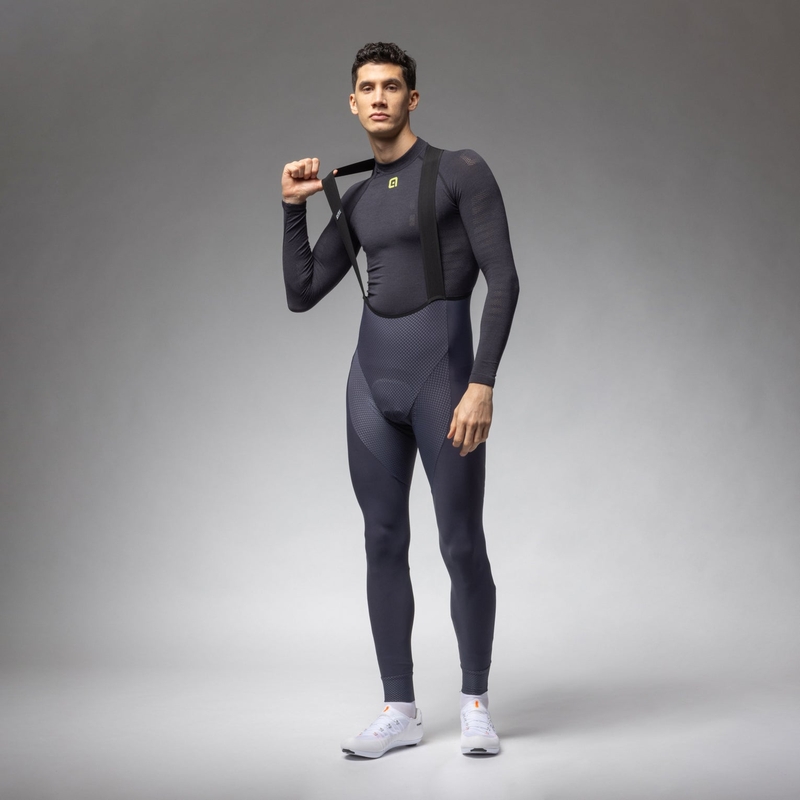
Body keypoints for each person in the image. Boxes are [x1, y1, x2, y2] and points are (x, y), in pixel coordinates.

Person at [281, 42, 519, 758]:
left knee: (459, 541)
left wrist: (482, 383)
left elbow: (504, 280)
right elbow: (301, 293)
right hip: (371, 382)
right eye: (367, 87)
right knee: (382, 540)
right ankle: (400, 710)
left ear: (412, 98)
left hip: (445, 378)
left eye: (391, 86)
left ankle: (475, 704)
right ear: (353, 103)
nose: (379, 97)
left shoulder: (460, 171)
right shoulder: (355, 198)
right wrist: (292, 209)